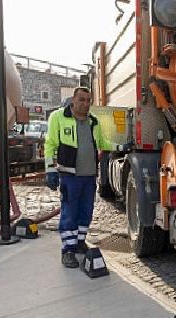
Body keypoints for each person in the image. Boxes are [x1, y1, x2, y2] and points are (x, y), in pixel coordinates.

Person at [44, 87, 113, 268]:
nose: (85, 104)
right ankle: (68, 250)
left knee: (86, 211)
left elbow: (102, 143)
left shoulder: (93, 122)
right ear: (73, 100)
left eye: (88, 100)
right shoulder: (58, 117)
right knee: (69, 213)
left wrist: (121, 147)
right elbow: (50, 144)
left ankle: (80, 242)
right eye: (81, 99)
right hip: (70, 176)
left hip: (89, 176)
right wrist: (50, 170)